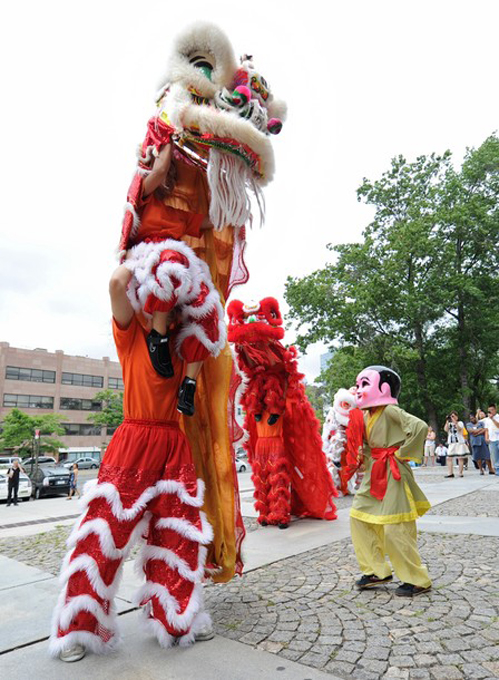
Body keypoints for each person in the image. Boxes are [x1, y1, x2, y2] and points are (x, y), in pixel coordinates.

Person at [49, 268, 218, 663]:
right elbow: (114, 283)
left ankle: (178, 619)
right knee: (103, 534)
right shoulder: (131, 333)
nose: (173, 311)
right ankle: (77, 625)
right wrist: (147, 255)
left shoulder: (187, 349)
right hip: (133, 443)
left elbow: (211, 319)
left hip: (174, 444)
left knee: (178, 538)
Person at [350, 365, 432, 598]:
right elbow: (367, 446)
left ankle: (417, 579)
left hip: (393, 472)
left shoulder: (389, 411)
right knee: (359, 517)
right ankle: (376, 571)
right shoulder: (367, 414)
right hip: (374, 473)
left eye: (364, 384)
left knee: (396, 528)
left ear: (383, 388)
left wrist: (401, 453)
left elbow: (419, 427)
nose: (359, 390)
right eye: (358, 385)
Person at [443, 412, 468, 478]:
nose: (452, 417)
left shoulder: (460, 423)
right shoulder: (449, 423)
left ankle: (460, 473)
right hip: (451, 442)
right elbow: (445, 429)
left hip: (459, 442)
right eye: (451, 416)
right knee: (449, 458)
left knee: (460, 458)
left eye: (453, 416)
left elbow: (459, 428)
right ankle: (450, 473)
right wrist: (447, 421)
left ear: (457, 416)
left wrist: (455, 421)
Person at [483, 404, 499, 476]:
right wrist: (486, 437)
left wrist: (493, 419)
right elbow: (486, 430)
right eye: (489, 410)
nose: (491, 412)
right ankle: (497, 469)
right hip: (492, 439)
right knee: (494, 455)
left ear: (495, 409)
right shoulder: (487, 420)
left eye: (492, 410)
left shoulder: (498, 417)